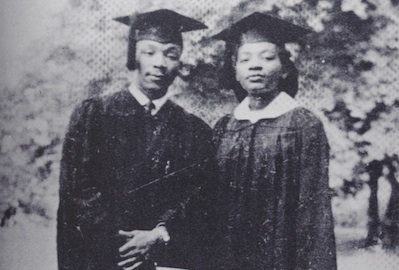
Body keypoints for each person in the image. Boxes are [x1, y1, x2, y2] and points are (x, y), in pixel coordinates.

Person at [57, 9, 212, 270]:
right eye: (149, 52)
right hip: (101, 257)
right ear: (134, 56)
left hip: (162, 258)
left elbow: (197, 197)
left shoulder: (194, 130)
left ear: (179, 62)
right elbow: (78, 190)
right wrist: (124, 246)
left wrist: (157, 235)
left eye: (170, 53)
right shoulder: (94, 115)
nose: (160, 63)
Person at [210, 12, 337, 269]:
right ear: (234, 70)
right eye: (245, 60)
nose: (255, 66)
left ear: (285, 68)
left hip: (282, 258)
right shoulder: (225, 126)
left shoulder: (303, 124)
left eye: (267, 58)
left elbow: (314, 212)